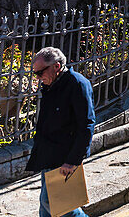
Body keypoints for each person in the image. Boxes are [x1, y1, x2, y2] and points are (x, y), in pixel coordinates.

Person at [26, 46, 95, 217]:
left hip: (64, 157)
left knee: (60, 205)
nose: (38, 78)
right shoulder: (52, 85)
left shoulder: (77, 84)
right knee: (48, 206)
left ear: (56, 67)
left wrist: (72, 161)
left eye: (40, 72)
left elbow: (86, 125)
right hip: (48, 154)